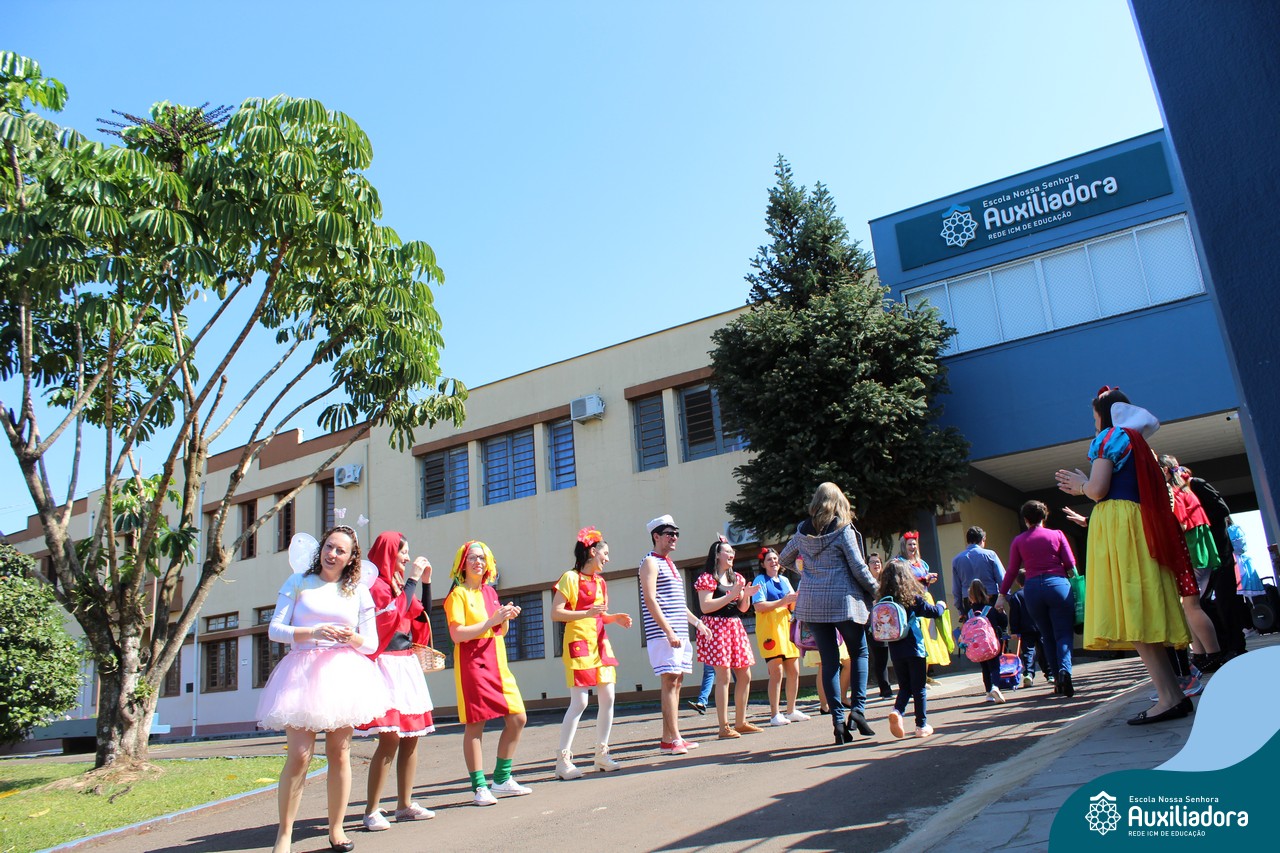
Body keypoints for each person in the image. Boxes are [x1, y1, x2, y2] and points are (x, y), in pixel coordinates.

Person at [1055, 386, 1194, 725]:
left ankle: (1169, 697)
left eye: (1094, 416)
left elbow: (1098, 489)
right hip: (1137, 524)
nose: (1094, 422)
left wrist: (1082, 484)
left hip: (1119, 528)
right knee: (1140, 610)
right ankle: (1172, 695)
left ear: (1104, 414)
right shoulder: (1139, 441)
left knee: (1131, 610)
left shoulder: (1108, 438)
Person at [257, 525, 388, 853]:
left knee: (339, 753)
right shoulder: (298, 581)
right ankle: (284, 835)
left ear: (351, 558)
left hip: (342, 675)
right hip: (301, 674)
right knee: (299, 756)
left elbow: (371, 644)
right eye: (329, 546)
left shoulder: (358, 591)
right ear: (321, 548)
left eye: (341, 550)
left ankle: (336, 828)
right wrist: (312, 631)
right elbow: (275, 630)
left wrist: (351, 637)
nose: (332, 554)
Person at [779, 482, 878, 745]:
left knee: (830, 662)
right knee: (859, 653)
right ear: (838, 501)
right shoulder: (843, 529)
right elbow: (858, 567)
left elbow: (784, 558)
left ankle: (837, 722)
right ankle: (858, 711)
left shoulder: (802, 531)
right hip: (844, 602)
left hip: (813, 605)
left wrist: (810, 574)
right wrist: (877, 590)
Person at [358, 531, 437, 830]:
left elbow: (421, 615)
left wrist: (425, 582)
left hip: (405, 663)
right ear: (389, 552)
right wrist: (413, 580)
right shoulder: (375, 586)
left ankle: (404, 805)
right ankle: (371, 810)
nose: (407, 557)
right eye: (403, 552)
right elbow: (393, 615)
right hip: (385, 664)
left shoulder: (396, 584)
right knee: (389, 737)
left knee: (411, 736)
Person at [444, 541, 532, 805]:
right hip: (473, 664)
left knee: (518, 718)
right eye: (472, 557)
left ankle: (502, 779)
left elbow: (499, 631)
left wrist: (505, 618)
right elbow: (457, 635)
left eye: (482, 558)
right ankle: (479, 786)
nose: (478, 562)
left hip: (498, 662)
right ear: (463, 563)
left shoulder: (490, 592)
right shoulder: (457, 595)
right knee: (475, 724)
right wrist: (492, 621)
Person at [551, 526, 633, 780]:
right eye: (605, 553)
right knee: (580, 702)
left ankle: (601, 755)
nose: (608, 558)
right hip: (578, 643)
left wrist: (614, 618)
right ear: (592, 551)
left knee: (608, 696)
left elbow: (599, 615)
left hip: (600, 642)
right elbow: (556, 613)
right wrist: (586, 613)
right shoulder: (569, 578)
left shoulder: (600, 582)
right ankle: (563, 760)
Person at [1160, 453, 1247, 659]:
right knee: (1203, 604)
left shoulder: (1193, 485)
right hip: (1202, 550)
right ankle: (1218, 649)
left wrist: (1199, 525)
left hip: (1212, 550)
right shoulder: (1178, 491)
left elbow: (1222, 509)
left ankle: (1230, 648)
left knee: (1221, 601)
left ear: (1165, 470)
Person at [639, 514, 711, 755]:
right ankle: (675, 739)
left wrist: (697, 623)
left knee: (677, 682)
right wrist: (668, 630)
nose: (674, 538)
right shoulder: (650, 562)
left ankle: (668, 739)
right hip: (664, 634)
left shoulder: (669, 563)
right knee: (670, 681)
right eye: (670, 534)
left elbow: (678, 604)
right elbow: (650, 600)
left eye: (676, 534)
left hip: (678, 633)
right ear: (656, 536)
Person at [995, 501, 1079, 697]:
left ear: (1026, 520)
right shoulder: (1057, 535)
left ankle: (1057, 681)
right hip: (1058, 586)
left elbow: (1012, 571)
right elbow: (1070, 564)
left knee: (1046, 636)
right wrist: (1077, 583)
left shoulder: (1019, 540)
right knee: (1063, 634)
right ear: (1044, 516)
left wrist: (1001, 596)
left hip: (1032, 589)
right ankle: (1065, 670)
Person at [696, 536, 761, 738]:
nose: (732, 554)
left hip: (734, 626)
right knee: (723, 676)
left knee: (745, 675)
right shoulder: (707, 578)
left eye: (732, 551)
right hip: (715, 628)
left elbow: (742, 609)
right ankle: (723, 727)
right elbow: (705, 606)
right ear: (717, 555)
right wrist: (730, 595)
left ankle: (740, 722)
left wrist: (746, 594)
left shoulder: (737, 578)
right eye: (727, 551)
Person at [1165, 463, 1227, 671]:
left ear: (1164, 471)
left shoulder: (1175, 493)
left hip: (1191, 552)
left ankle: (1212, 654)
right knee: (1190, 607)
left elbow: (1181, 524)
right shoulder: (1185, 489)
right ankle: (1201, 655)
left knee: (1191, 606)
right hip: (1198, 551)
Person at [877, 557, 948, 739]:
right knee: (919, 688)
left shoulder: (883, 600)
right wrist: (941, 605)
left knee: (905, 687)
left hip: (896, 650)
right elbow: (933, 612)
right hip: (914, 647)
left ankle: (897, 711)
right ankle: (921, 725)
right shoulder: (912, 599)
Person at [752, 546, 808, 724]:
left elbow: (791, 605)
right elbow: (758, 606)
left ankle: (791, 710)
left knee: (794, 670)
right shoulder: (760, 580)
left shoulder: (784, 580)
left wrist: (797, 598)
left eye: (775, 559)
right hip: (769, 628)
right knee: (776, 671)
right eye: (769, 559)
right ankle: (774, 714)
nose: (773, 562)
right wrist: (783, 601)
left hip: (786, 626)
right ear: (763, 564)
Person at [897, 532, 953, 676]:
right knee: (919, 636)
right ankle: (921, 675)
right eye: (910, 544)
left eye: (914, 544)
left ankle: (926, 674)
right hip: (911, 601)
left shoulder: (921, 563)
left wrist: (928, 580)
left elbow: (922, 581)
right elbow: (905, 581)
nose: (913, 547)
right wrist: (924, 579)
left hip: (925, 599)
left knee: (929, 637)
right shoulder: (900, 563)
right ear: (904, 546)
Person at [965, 578, 1009, 703]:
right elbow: (1003, 623)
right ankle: (995, 687)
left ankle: (988, 692)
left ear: (970, 596)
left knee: (984, 668)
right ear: (985, 593)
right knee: (995, 667)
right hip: (991, 644)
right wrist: (1002, 613)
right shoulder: (990, 609)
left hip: (978, 646)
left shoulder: (970, 613)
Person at [951, 527, 1006, 614]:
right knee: (993, 622)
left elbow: (956, 589)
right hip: (990, 597)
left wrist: (960, 609)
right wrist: (1005, 598)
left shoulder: (957, 560)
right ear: (982, 539)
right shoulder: (990, 555)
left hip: (969, 601)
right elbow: (1002, 579)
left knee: (973, 623)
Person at [864, 553, 894, 700]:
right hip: (873, 624)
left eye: (878, 562)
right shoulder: (864, 583)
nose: (876, 564)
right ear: (867, 566)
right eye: (872, 562)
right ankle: (885, 689)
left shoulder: (887, 581)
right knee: (880, 657)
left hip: (890, 623)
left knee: (894, 653)